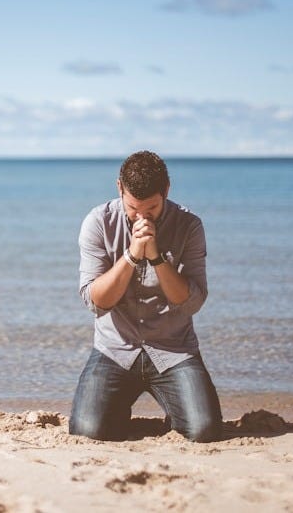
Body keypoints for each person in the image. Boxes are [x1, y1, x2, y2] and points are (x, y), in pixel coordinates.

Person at [69, 150, 222, 442]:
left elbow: (192, 302)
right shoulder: (99, 221)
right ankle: (115, 410)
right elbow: (95, 301)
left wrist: (156, 258)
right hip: (114, 349)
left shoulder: (189, 225)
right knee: (86, 433)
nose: (141, 218)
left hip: (173, 349)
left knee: (204, 431)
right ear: (119, 189)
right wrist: (130, 255)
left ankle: (175, 408)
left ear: (166, 190)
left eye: (151, 208)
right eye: (133, 208)